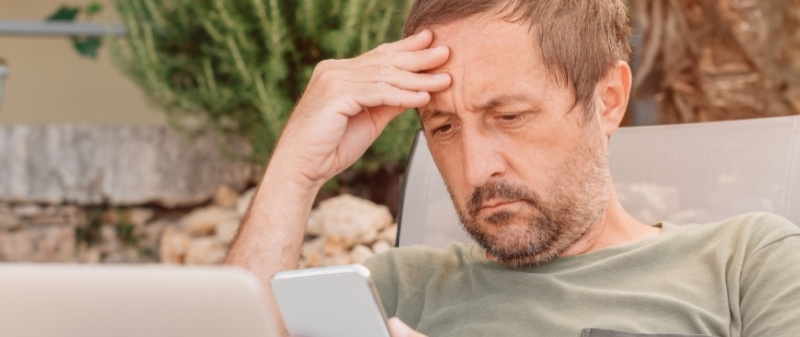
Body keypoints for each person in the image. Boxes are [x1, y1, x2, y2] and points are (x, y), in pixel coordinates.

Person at [225, 1, 800, 336]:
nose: (476, 169)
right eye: (443, 128)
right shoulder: (398, 290)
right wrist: (294, 170)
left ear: (607, 100)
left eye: (509, 116)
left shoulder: (746, 264)